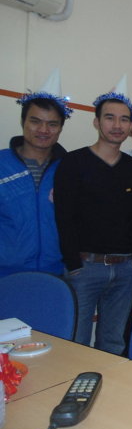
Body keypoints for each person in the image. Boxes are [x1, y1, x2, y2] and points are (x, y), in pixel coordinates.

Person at [54, 85, 132, 355]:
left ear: (130, 126)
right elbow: (63, 216)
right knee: (76, 342)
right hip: (85, 268)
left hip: (125, 269)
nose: (117, 125)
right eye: (110, 118)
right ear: (96, 122)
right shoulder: (73, 162)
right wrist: (73, 264)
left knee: (113, 343)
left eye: (124, 119)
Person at [0, 70, 72, 277]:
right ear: (23, 122)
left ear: (60, 129)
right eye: (35, 121)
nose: (43, 130)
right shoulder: (2, 164)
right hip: (5, 275)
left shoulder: (69, 169)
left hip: (55, 274)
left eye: (52, 124)